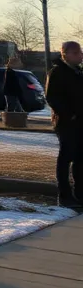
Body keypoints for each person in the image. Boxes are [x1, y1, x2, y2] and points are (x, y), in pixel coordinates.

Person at [46, 41, 83, 209]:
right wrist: (70, 115)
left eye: (80, 52)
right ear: (65, 54)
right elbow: (52, 98)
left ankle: (80, 194)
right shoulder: (58, 72)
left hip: (80, 122)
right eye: (76, 53)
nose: (80, 55)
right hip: (67, 123)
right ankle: (65, 195)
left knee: (80, 159)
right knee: (66, 158)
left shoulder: (78, 72)